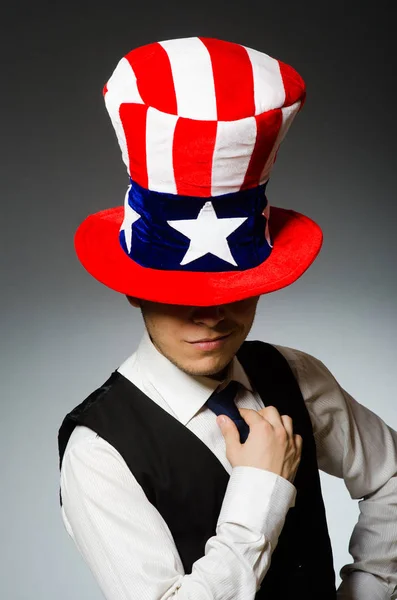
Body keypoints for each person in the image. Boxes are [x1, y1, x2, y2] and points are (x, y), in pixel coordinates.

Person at [57, 36, 397, 600]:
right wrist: (259, 489)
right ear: (133, 292)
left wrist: (370, 587)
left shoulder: (296, 377)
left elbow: (390, 475)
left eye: (232, 288)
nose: (209, 314)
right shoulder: (98, 449)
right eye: (176, 291)